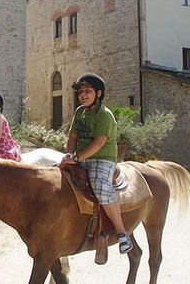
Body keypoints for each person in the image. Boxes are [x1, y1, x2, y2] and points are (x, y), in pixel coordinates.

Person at [59, 73, 133, 254]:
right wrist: (69, 154)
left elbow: (99, 142)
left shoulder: (105, 115)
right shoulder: (79, 112)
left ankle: (122, 232)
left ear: (98, 94)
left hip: (102, 158)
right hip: (81, 156)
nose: (83, 95)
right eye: (81, 92)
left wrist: (77, 158)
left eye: (88, 91)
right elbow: (73, 136)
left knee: (100, 186)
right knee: (57, 176)